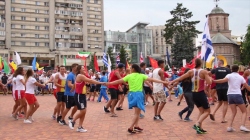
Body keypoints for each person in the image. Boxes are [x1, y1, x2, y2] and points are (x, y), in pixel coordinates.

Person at [106, 64, 169, 133]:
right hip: (138, 95)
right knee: (137, 113)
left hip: (131, 95)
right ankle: (131, 127)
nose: (130, 69)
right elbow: (153, 79)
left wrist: (108, 83)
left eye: (131, 68)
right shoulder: (141, 75)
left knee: (137, 112)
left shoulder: (129, 76)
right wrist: (163, 82)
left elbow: (118, 81)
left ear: (133, 69)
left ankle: (136, 126)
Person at [170, 58, 212, 134]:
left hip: (194, 94)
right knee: (207, 111)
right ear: (201, 64)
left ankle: (199, 128)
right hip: (200, 93)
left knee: (201, 111)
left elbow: (180, 78)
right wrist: (210, 78)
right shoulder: (203, 72)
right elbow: (209, 82)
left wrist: (172, 82)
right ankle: (197, 124)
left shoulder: (190, 71)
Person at [213, 65, 250, 132]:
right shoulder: (240, 77)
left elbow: (222, 80)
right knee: (244, 111)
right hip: (237, 94)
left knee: (233, 112)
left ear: (231, 69)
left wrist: (214, 81)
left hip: (230, 95)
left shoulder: (229, 75)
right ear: (238, 70)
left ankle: (230, 126)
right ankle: (242, 125)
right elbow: (247, 87)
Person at [68, 65, 104, 132]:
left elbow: (75, 84)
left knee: (83, 112)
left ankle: (80, 127)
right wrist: (102, 83)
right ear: (79, 70)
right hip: (79, 95)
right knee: (83, 111)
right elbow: (90, 81)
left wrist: (72, 89)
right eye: (83, 68)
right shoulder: (80, 76)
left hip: (82, 96)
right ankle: (72, 121)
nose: (84, 69)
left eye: (84, 68)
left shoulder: (80, 76)